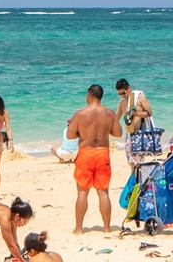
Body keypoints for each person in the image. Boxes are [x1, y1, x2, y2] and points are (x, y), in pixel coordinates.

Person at [66, 84, 122, 235]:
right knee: (103, 192)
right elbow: (118, 133)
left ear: (88, 95)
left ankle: (78, 229)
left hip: (86, 153)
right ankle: (107, 228)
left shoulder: (80, 114)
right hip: (102, 153)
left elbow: (70, 136)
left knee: (82, 193)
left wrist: (81, 133)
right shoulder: (109, 113)